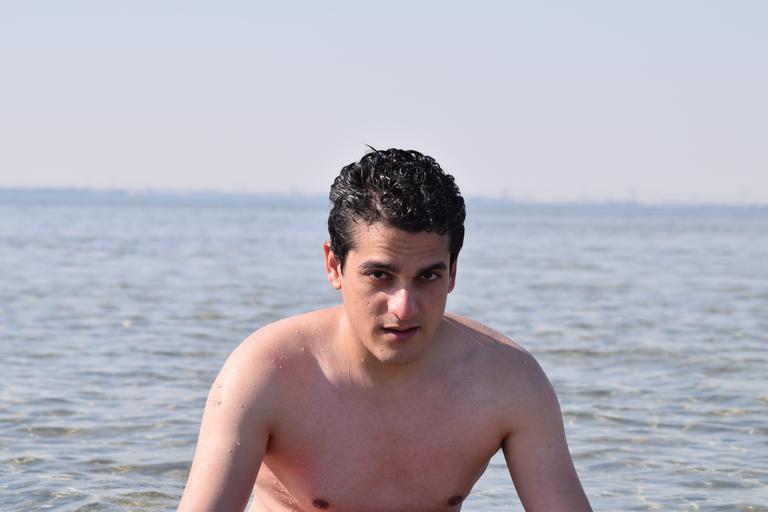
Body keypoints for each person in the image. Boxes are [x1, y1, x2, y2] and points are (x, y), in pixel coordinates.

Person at [178, 148, 592, 511]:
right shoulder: (267, 372)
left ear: (452, 273)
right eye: (380, 275)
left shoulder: (507, 381)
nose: (404, 307)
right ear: (334, 266)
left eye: (428, 276)